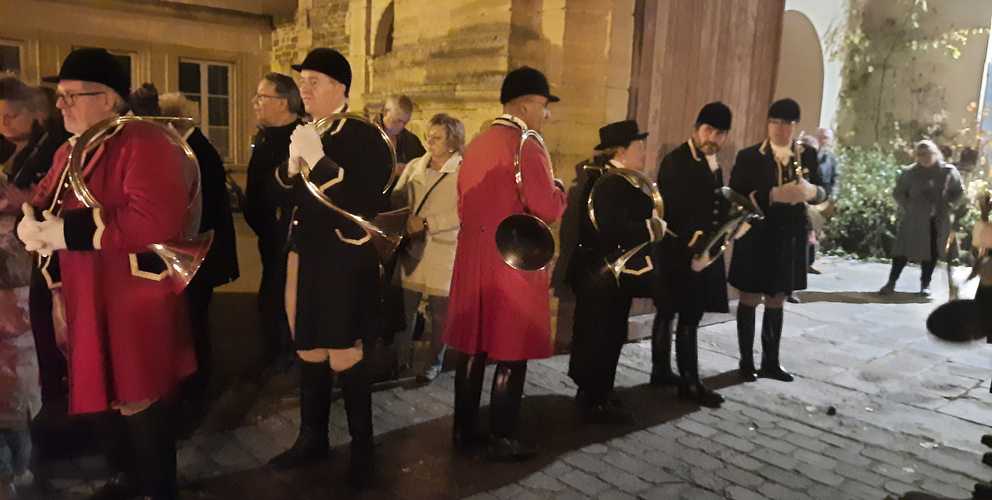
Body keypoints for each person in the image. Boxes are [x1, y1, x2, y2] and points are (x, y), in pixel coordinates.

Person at [18, 47, 197, 500]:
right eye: (59, 96)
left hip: (131, 292)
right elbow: (44, 197)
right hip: (87, 286)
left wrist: (66, 232)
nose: (61, 105)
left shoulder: (144, 141)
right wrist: (29, 221)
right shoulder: (70, 149)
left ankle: (158, 488)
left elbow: (154, 219)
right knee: (102, 389)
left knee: (138, 393)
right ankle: (125, 477)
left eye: (72, 95)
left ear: (109, 98)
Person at [267, 48, 391, 489]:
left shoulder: (364, 135)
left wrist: (319, 162)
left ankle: (363, 450)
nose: (304, 89)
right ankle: (312, 438)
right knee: (309, 349)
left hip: (343, 258)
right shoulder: (308, 131)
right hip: (307, 254)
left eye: (314, 81)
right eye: (303, 81)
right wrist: (291, 166)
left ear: (340, 87)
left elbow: (363, 199)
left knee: (344, 353)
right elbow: (280, 196)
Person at [444, 66, 566, 461]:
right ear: (526, 105)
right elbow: (546, 207)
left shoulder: (478, 142)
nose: (546, 114)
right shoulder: (526, 144)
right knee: (512, 349)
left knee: (473, 346)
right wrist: (560, 190)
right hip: (513, 258)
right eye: (544, 106)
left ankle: (463, 431)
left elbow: (463, 202)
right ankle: (503, 436)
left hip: (473, 257)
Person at [728, 98, 827, 383]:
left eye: (786, 123)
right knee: (749, 296)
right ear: (768, 123)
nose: (780, 128)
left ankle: (771, 362)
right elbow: (735, 195)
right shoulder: (749, 156)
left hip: (788, 237)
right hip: (756, 236)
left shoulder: (807, 154)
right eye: (775, 122)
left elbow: (823, 192)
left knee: (777, 298)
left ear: (795, 126)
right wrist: (771, 195)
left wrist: (812, 192)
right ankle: (746, 362)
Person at [566, 119, 657, 423]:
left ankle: (599, 391)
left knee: (609, 332)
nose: (643, 152)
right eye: (638, 146)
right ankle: (594, 398)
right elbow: (611, 228)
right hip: (602, 275)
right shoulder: (609, 182)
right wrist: (649, 228)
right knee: (600, 335)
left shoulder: (617, 179)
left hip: (608, 275)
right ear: (621, 150)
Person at [158, 92, 240, 421]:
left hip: (201, 253)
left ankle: (198, 388)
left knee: (195, 321)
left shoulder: (195, 151)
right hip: (202, 251)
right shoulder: (194, 147)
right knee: (195, 320)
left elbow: (197, 207)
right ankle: (196, 383)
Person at [653, 102, 735, 407]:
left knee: (686, 312)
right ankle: (687, 382)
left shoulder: (713, 161)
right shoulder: (676, 160)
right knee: (677, 311)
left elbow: (712, 204)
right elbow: (674, 208)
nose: (712, 137)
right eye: (708, 130)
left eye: (720, 133)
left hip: (702, 251)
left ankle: (662, 371)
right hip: (679, 251)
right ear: (696, 129)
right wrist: (695, 246)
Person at [0, 77, 69, 416]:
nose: (3, 124)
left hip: (38, 260)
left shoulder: (53, 147)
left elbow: (56, 200)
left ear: (34, 113)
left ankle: (45, 404)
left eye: (11, 116)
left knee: (35, 339)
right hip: (17, 258)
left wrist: (21, 200)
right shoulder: (17, 151)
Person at [392, 113, 464, 382]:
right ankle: (400, 362)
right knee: (405, 311)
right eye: (428, 136)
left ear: (452, 141)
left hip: (443, 250)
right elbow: (398, 198)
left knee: (440, 315)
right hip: (414, 249)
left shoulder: (463, 171)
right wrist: (404, 216)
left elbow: (464, 211)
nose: (429, 142)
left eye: (437, 138)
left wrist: (428, 223)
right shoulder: (415, 165)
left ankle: (434, 363)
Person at [244, 73, 303, 373]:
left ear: (282, 102)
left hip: (290, 240)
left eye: (261, 97)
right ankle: (273, 353)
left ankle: (288, 355)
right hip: (268, 237)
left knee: (286, 297)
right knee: (269, 296)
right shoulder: (265, 136)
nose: (255, 102)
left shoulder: (302, 138)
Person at [878, 140, 964, 297]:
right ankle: (891, 282)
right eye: (920, 154)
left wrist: (949, 205)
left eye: (927, 154)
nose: (924, 157)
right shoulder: (909, 172)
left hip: (938, 219)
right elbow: (898, 192)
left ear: (935, 153)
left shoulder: (947, 171)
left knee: (931, 252)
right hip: (914, 219)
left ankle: (925, 284)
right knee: (902, 251)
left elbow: (958, 191)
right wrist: (908, 206)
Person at [378, 94, 426, 170]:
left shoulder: (411, 140)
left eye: (405, 123)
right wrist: (391, 170)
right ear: (386, 112)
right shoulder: (367, 134)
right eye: (398, 121)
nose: (401, 127)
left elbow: (424, 164)